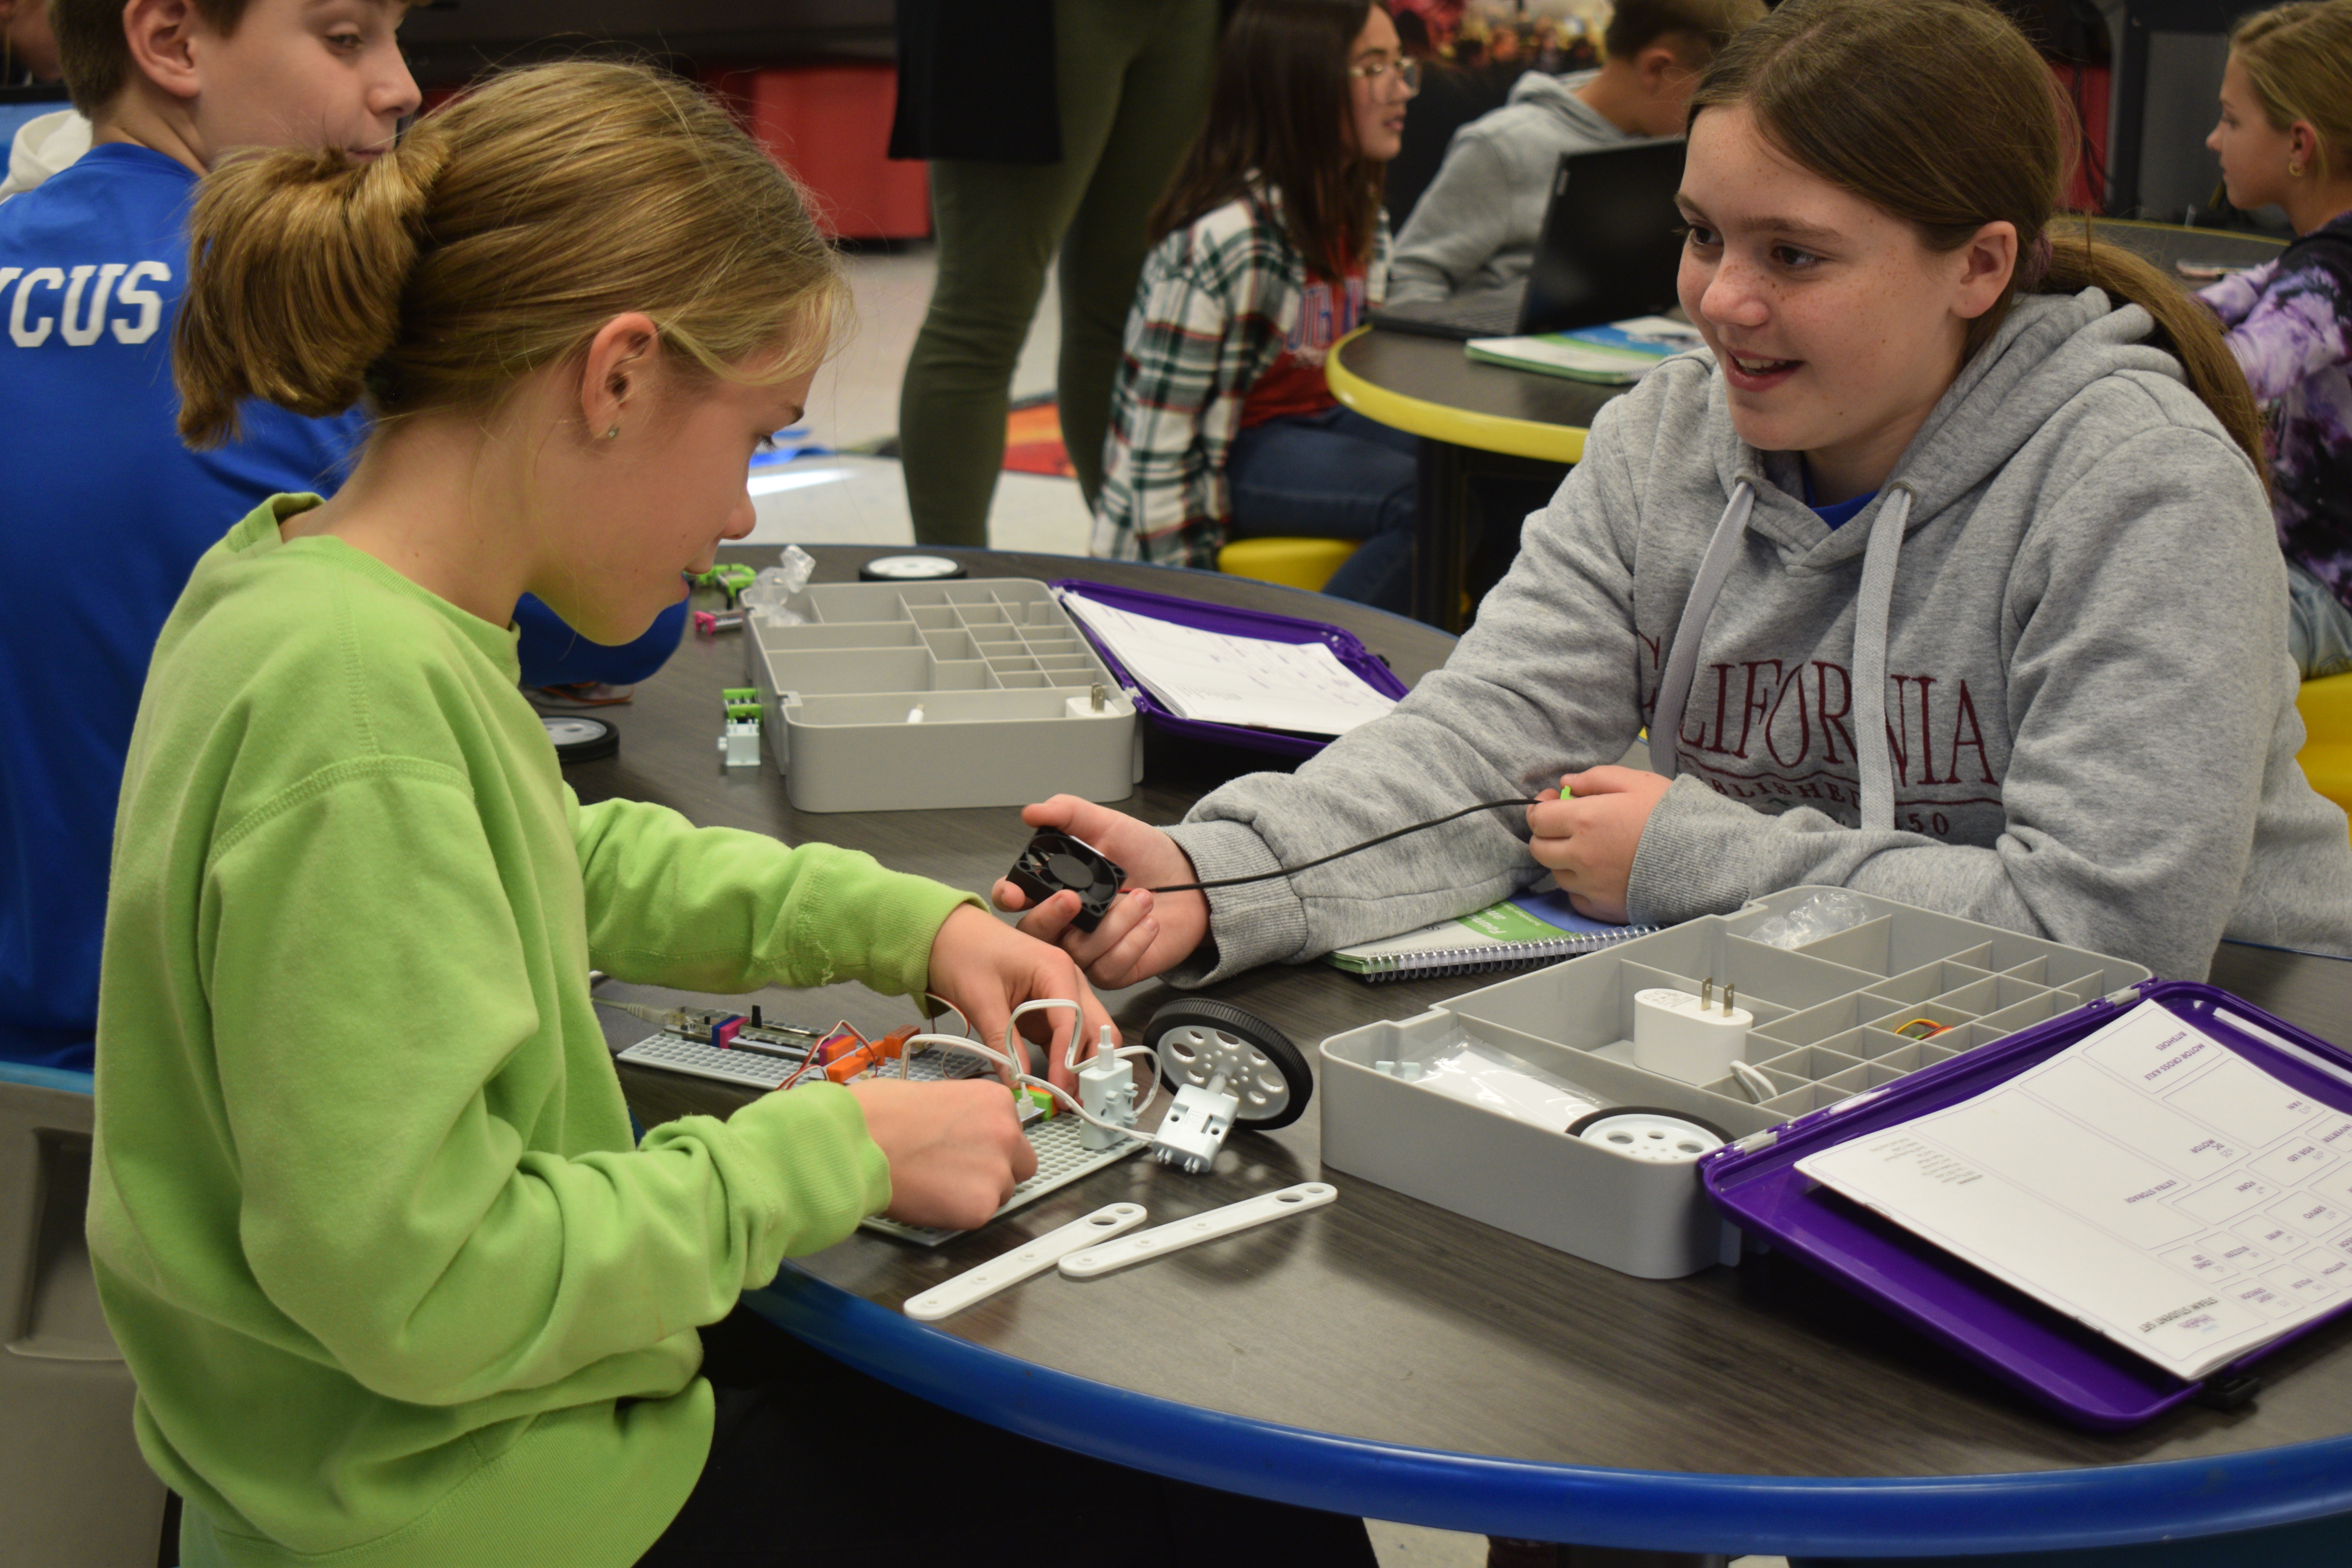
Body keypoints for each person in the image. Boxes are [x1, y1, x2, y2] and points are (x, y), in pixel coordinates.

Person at [90, 58, 1377, 1568]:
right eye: (756, 438)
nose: (745, 516)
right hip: (456, 1509)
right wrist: (830, 1148)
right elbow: (424, 1290)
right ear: (617, 374)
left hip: (409, 1451)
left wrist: (907, 919)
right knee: (1225, 1507)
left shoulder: (312, 590)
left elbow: (536, 856)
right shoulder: (355, 702)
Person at [1009, 0, 2352, 1014]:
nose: (1719, 301)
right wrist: (1224, 872)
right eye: (1705, 234)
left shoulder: (2139, 487)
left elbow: (2109, 938)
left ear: (1979, 266)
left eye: (1794, 256)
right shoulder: (1668, 436)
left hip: (2243, 1056)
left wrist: (1693, 857)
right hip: (1841, 1028)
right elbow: (1488, 743)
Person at [0, 0, 677, 1070]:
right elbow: (617, 632)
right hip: (240, 1040)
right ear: (171, 43)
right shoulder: (304, 313)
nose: (402, 86)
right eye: (346, 37)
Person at [1091, 0, 1421, 612]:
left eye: (1402, 65)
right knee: (1426, 502)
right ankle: (1319, 668)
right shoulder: (1225, 238)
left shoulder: (1363, 214)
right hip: (1235, 450)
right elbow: (1156, 452)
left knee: (1473, 471)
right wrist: (1185, 606)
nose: (1402, 88)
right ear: (1302, 81)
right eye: (1375, 67)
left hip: (1322, 421)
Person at [891, 0, 1221, 546]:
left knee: (1128, 313)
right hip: (1027, 21)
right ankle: (950, 577)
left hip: (1185, 18)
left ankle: (1132, 562)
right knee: (983, 315)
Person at [1385, 0, 1763, 306]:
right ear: (1658, 68)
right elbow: (1411, 280)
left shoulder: (1682, 148)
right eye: (1711, 94)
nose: (1719, 113)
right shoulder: (1503, 146)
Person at [2198, 0, 2352, 681]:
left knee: (2159, 637)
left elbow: (2228, 373)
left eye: (2231, 120)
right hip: (2305, 574)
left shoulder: (2330, 280)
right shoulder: (2316, 262)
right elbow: (2214, 307)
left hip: (2331, 596)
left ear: (2299, 145)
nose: (2213, 140)